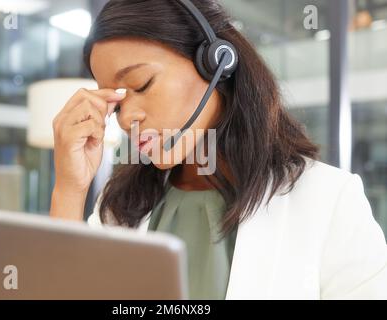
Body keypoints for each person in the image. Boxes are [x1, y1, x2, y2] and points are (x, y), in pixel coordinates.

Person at [49, 0, 387, 299]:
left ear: (216, 63)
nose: (127, 119)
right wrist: (69, 189)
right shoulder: (121, 205)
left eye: (141, 84)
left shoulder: (329, 199)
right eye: (117, 104)